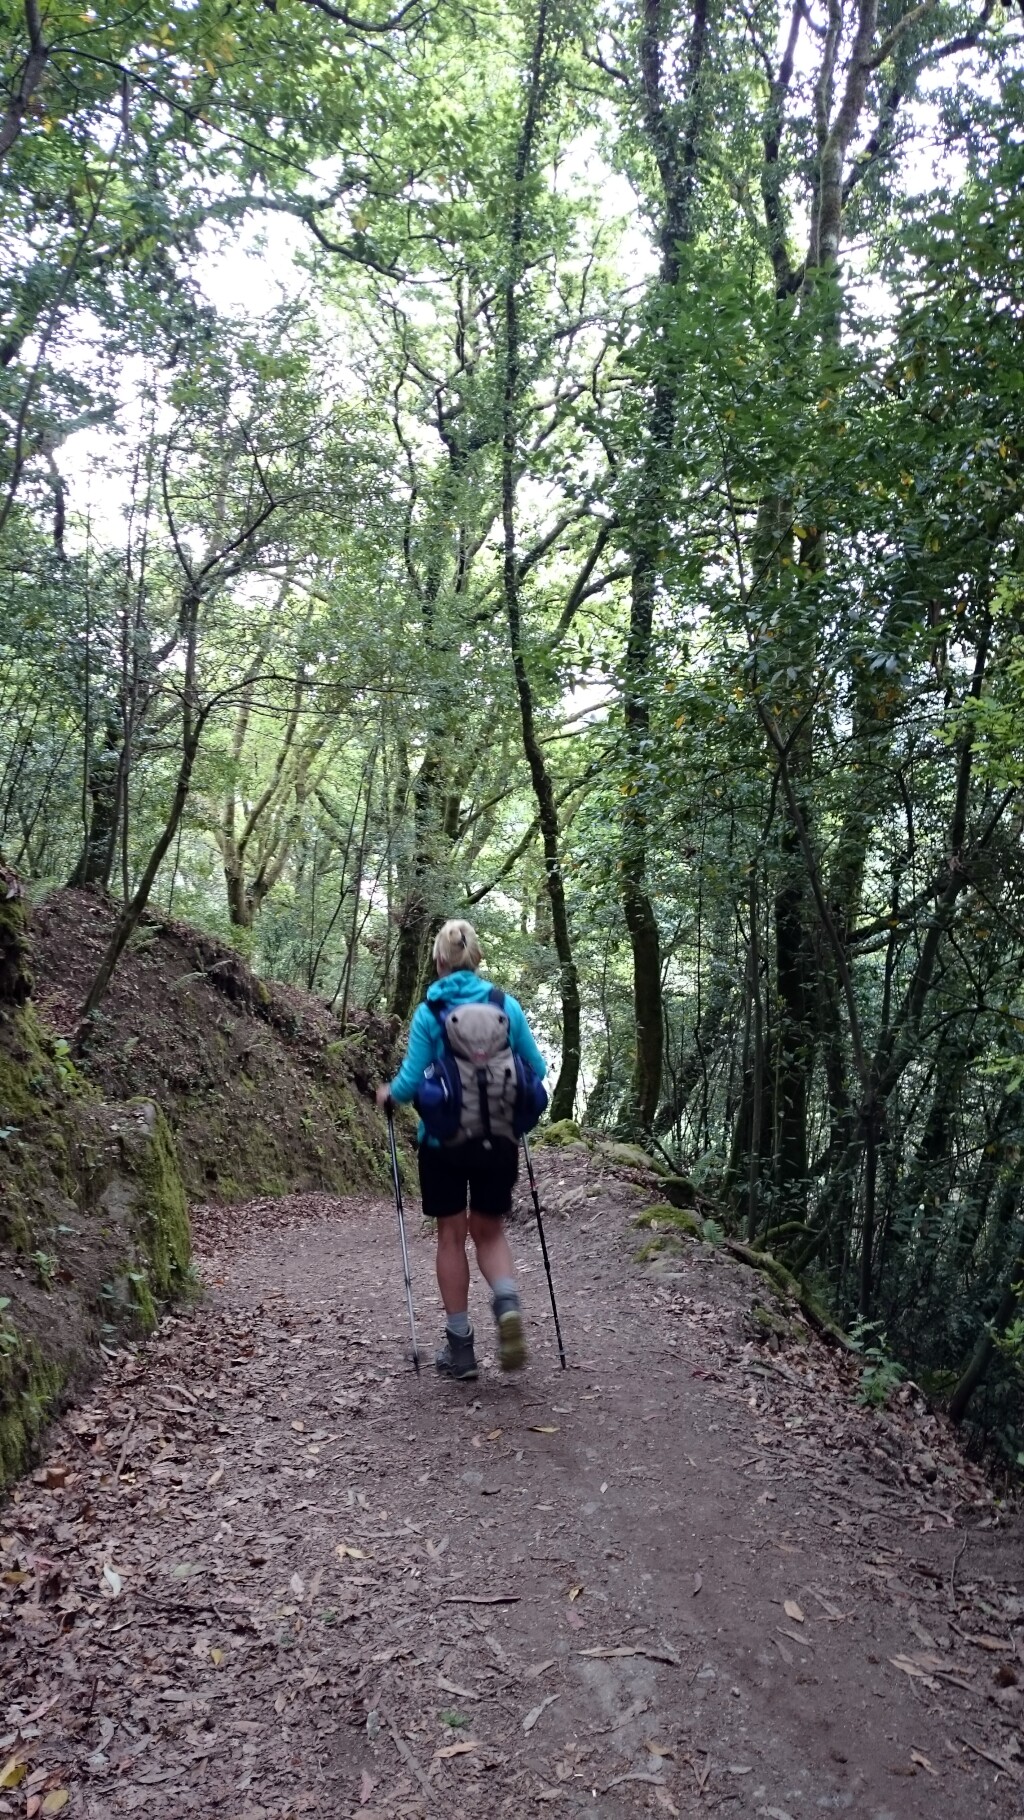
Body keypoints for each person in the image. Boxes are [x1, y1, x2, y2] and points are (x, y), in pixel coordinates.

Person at [376, 918, 547, 1381]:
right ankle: (506, 1302)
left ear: (438, 961)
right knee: (488, 1231)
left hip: (443, 1145)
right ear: (478, 959)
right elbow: (536, 1067)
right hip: (499, 1143)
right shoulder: (505, 1006)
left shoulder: (429, 1012)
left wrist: (388, 1092)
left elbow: (410, 1083)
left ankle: (461, 1350)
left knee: (451, 1236)